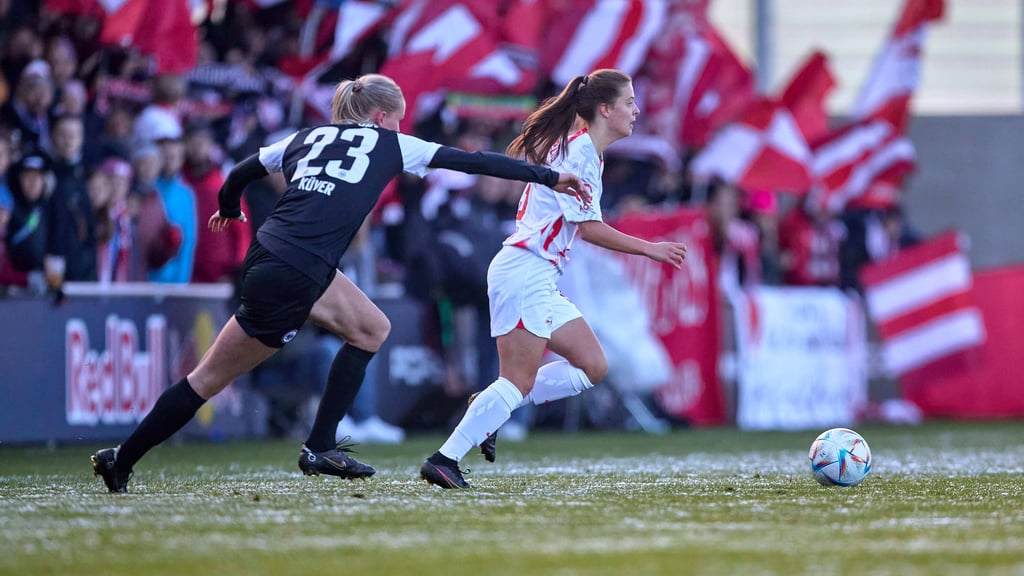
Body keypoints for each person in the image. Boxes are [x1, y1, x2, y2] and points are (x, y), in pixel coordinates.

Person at [90, 73, 585, 493]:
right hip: (301, 267)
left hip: (273, 255)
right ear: (379, 116)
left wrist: (227, 207)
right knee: (214, 378)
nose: (400, 126)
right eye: (397, 117)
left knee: (369, 328)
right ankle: (312, 446)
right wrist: (548, 176)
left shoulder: (305, 137)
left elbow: (240, 171)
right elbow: (474, 162)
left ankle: (132, 459)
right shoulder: (391, 143)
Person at [419, 69, 688, 489]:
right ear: (605, 109)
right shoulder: (579, 153)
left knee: (593, 366)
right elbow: (591, 228)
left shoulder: (585, 152)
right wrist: (649, 248)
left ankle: (490, 409)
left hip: (538, 274)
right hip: (525, 270)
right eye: (629, 102)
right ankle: (444, 459)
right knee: (517, 380)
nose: (636, 110)